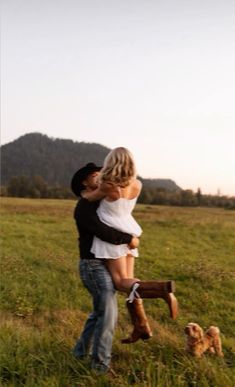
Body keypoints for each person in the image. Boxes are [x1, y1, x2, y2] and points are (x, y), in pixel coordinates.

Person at [81, 148, 178, 340]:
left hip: (113, 235)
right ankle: (140, 326)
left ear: (111, 162)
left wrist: (87, 189)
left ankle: (162, 290)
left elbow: (87, 199)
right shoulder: (137, 184)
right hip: (129, 230)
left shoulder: (109, 186)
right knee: (131, 282)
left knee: (120, 282)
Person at [71, 162, 139, 374]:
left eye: (101, 174)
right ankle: (100, 366)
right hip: (92, 265)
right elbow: (103, 231)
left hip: (102, 262)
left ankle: (80, 352)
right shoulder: (84, 206)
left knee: (99, 312)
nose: (100, 177)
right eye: (95, 175)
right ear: (85, 182)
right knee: (108, 314)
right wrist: (129, 239)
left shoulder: (101, 201)